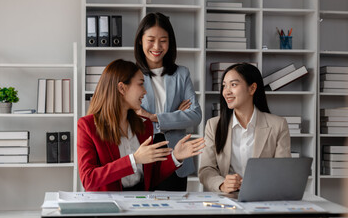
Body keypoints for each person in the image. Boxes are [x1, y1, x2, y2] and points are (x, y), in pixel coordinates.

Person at [77, 59, 205, 192]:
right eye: (141, 84)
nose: (145, 91)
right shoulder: (87, 125)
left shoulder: (145, 124)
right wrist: (134, 159)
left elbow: (152, 177)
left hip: (139, 203)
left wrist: (175, 157)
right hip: (108, 207)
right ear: (122, 88)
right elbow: (88, 179)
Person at [134, 12, 202, 191]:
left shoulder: (182, 74)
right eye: (151, 39)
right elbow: (131, 116)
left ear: (170, 42)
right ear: (140, 40)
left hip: (176, 155)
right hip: (143, 153)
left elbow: (195, 115)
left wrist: (154, 117)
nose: (157, 46)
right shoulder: (131, 74)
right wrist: (176, 115)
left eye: (163, 40)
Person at [199, 63, 291, 193]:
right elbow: (206, 169)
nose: (227, 91)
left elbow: (283, 170)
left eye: (234, 84)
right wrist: (222, 184)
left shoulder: (278, 125)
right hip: (227, 199)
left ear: (252, 88)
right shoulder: (213, 125)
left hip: (263, 198)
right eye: (224, 86)